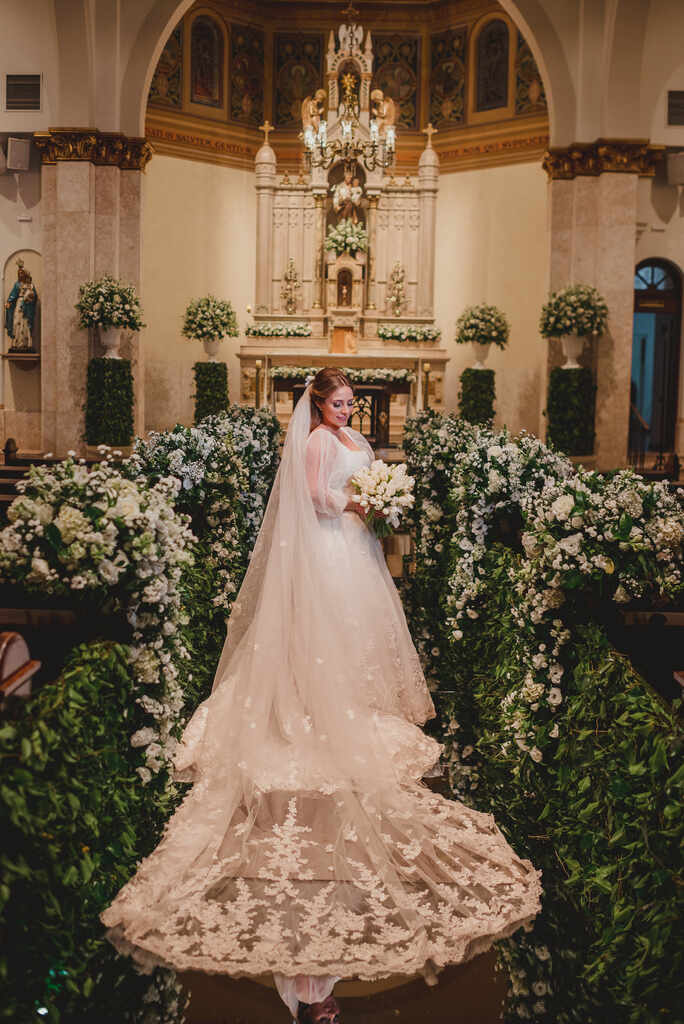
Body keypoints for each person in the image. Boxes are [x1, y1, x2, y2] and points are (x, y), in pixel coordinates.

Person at [101, 368, 542, 1022]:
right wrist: (358, 504)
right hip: (330, 550)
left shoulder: (355, 437)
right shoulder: (312, 443)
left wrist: (379, 502)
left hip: (357, 551)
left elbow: (360, 482)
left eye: (348, 403)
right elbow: (312, 500)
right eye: (337, 403)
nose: (344, 410)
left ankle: (353, 706)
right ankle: (309, 709)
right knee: (326, 634)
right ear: (317, 403)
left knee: (360, 638)